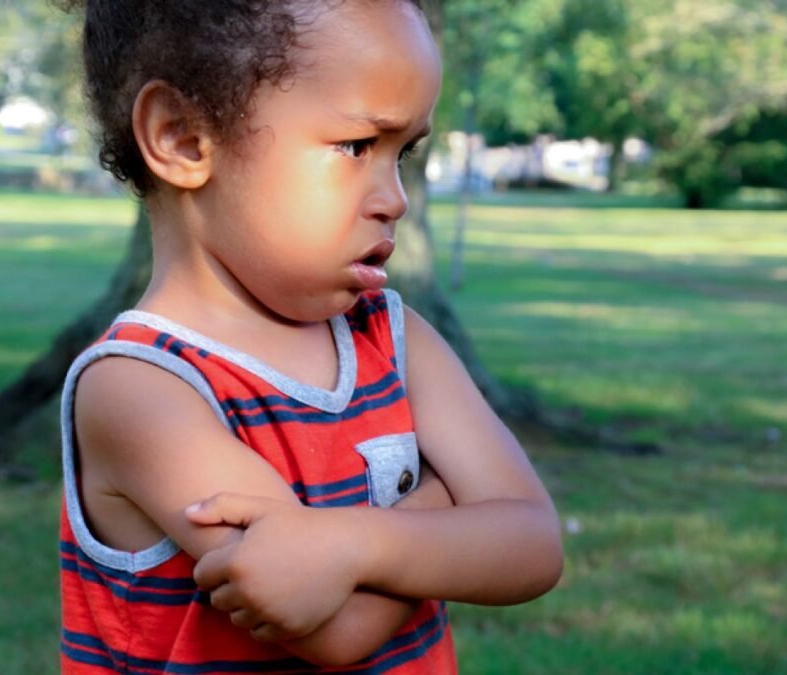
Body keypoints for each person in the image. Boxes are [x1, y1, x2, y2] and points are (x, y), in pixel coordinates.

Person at [56, 0, 564, 672]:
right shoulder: (140, 387)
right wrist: (450, 496)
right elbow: (333, 627)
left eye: (402, 152)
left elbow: (534, 545)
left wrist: (351, 542)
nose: (395, 197)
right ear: (182, 138)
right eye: (357, 146)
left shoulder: (393, 337)